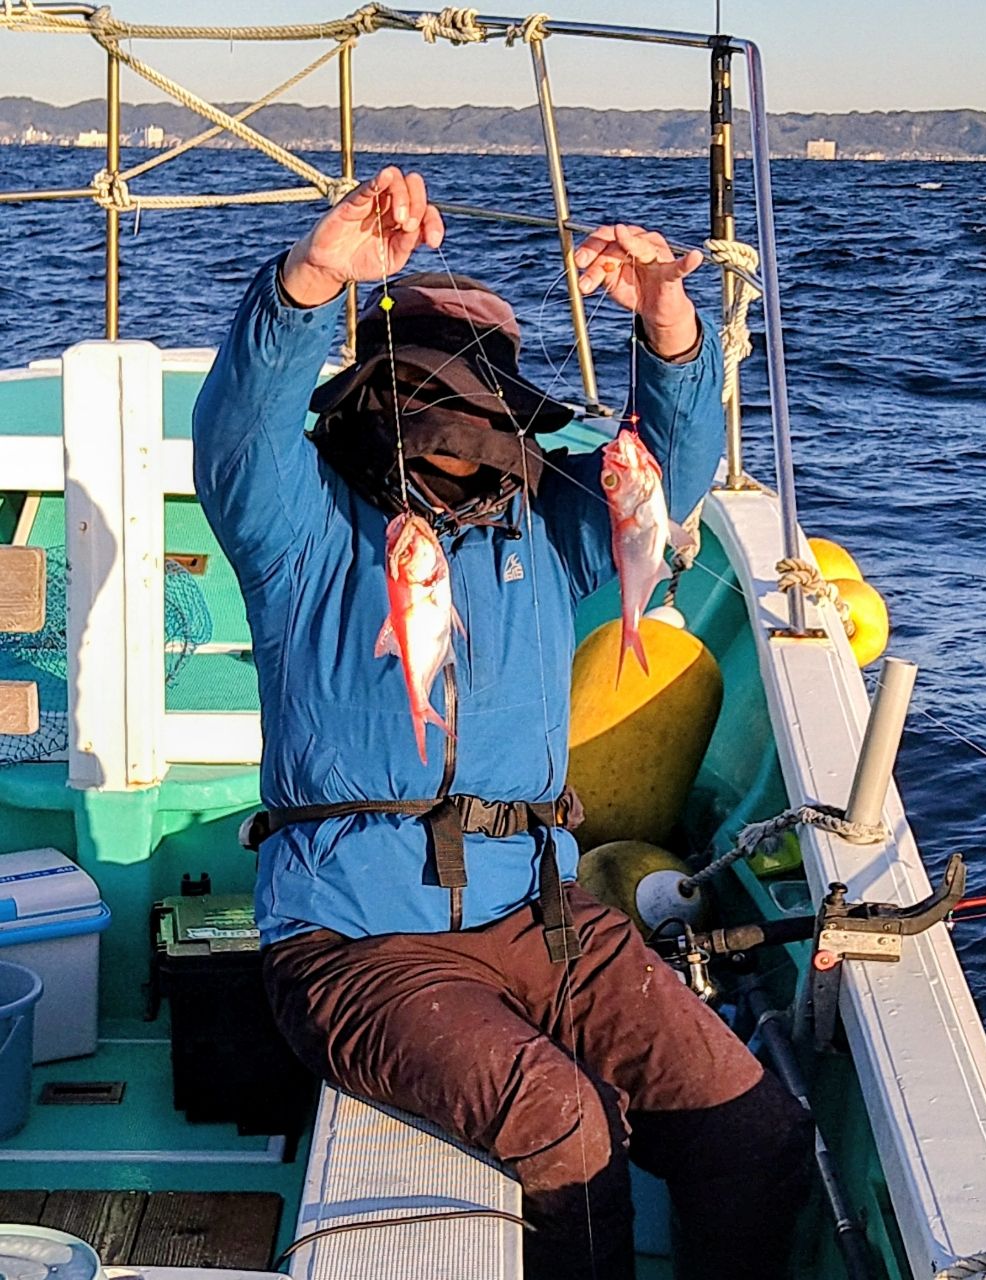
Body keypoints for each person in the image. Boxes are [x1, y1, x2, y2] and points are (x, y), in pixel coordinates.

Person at [193, 166, 811, 1280]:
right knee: (565, 1123)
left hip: (545, 913)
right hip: (355, 942)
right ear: (372, 402)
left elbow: (660, 483)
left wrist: (670, 325)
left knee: (754, 1126)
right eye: (428, 405)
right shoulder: (304, 530)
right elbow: (237, 434)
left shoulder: (550, 530)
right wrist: (313, 277)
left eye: (480, 411)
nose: (456, 438)